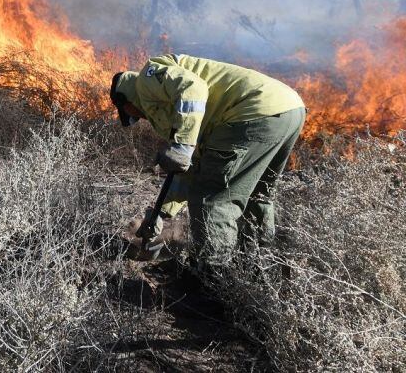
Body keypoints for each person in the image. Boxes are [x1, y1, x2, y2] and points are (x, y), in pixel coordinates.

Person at [110, 53, 305, 273]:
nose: (138, 118)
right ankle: (258, 267)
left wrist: (182, 146)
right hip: (288, 110)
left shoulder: (148, 77)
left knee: (212, 199)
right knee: (257, 195)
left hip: (250, 113)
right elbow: (193, 170)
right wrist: (161, 213)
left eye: (130, 114)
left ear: (125, 99)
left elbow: (193, 87)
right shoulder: (179, 111)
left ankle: (211, 278)